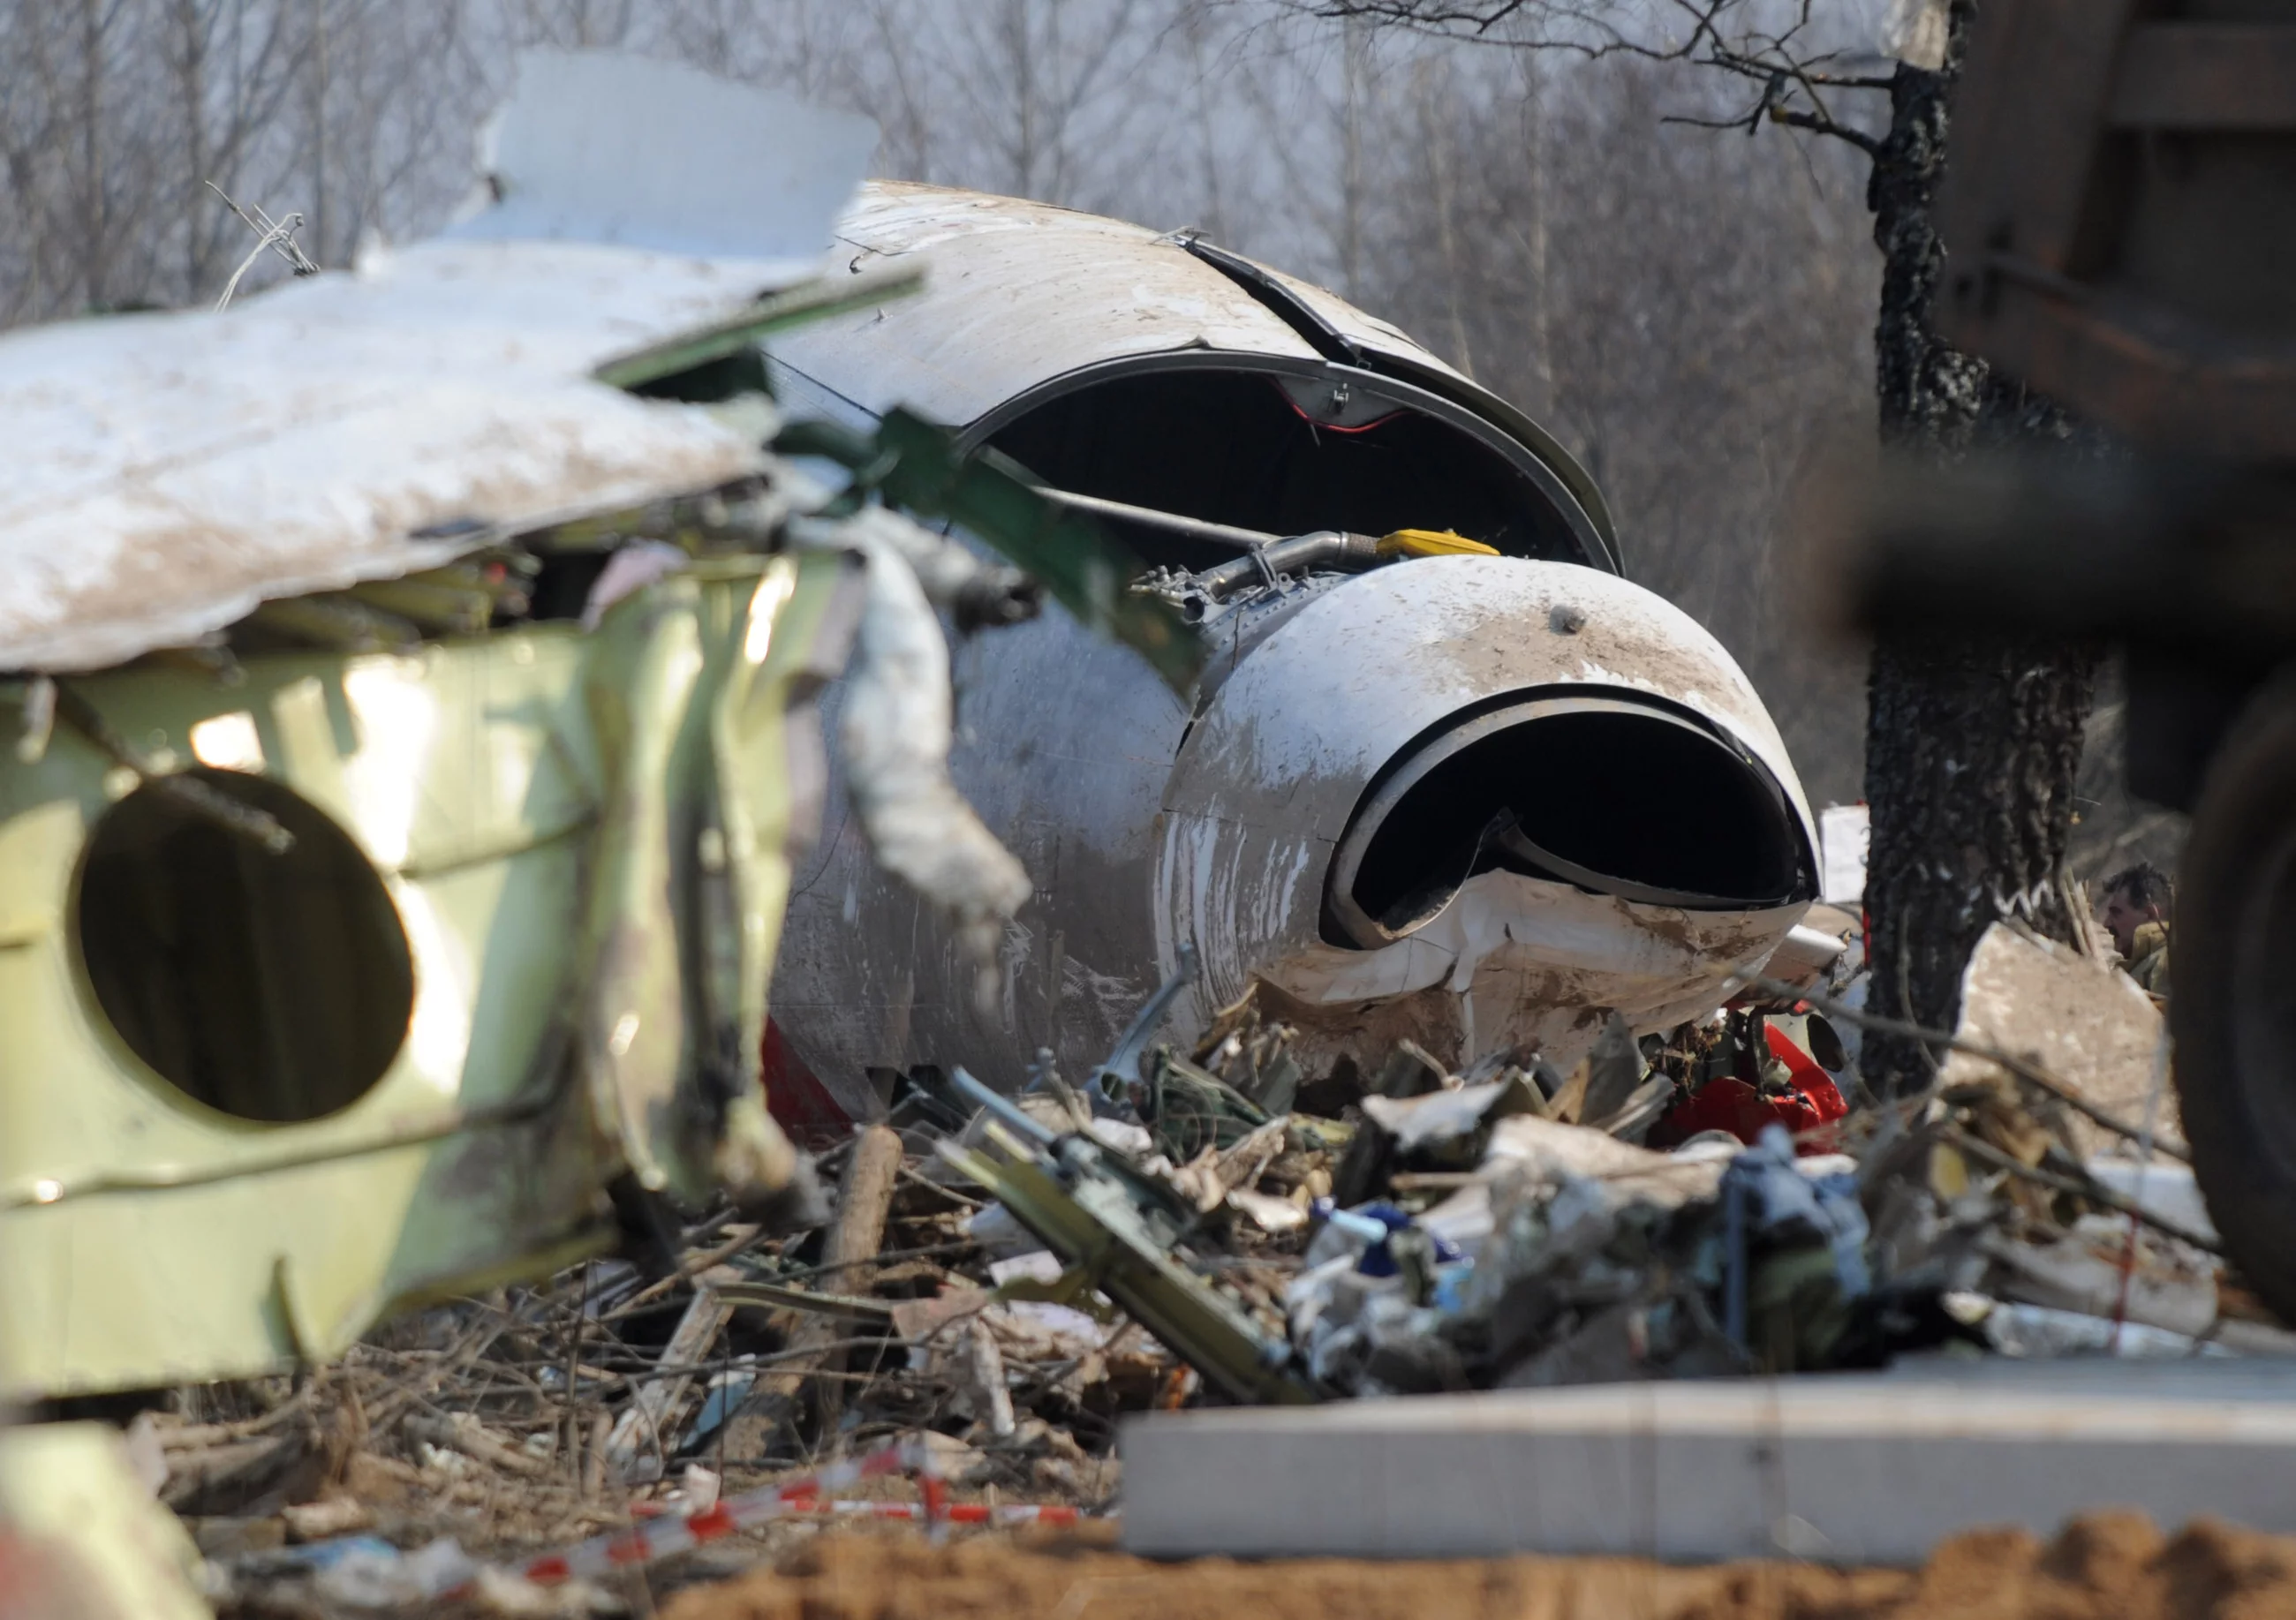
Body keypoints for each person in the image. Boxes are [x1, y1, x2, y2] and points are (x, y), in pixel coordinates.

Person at [2098, 862, 2171, 998]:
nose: (2106, 923)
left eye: (2116, 913)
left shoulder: (2166, 963)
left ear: (2151, 914)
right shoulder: (2146, 961)